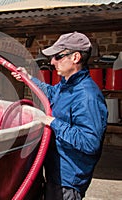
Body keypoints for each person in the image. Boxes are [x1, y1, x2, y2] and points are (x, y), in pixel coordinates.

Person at [12, 31, 108, 200]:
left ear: (75, 57)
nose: (52, 62)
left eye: (58, 56)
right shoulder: (68, 85)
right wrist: (28, 79)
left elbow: (89, 142)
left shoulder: (86, 96)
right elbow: (51, 93)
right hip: (56, 172)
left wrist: (52, 122)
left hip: (68, 181)